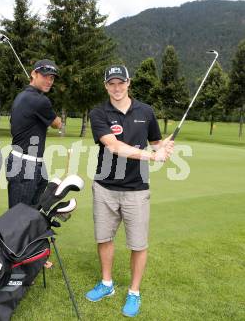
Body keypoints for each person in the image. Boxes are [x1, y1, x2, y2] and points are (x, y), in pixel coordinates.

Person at [85, 65, 174, 317]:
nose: (116, 88)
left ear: (128, 83)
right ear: (105, 86)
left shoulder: (146, 111)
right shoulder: (99, 113)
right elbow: (113, 146)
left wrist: (164, 147)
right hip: (105, 187)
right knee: (104, 238)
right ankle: (106, 284)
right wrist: (151, 156)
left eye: (120, 82)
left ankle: (134, 292)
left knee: (138, 244)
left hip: (136, 189)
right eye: (111, 83)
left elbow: (156, 141)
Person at [6, 59, 62, 208]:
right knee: (19, 216)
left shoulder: (22, 96)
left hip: (26, 161)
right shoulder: (40, 101)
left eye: (52, 78)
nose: (49, 81)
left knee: (32, 209)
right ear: (33, 74)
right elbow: (57, 124)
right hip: (26, 164)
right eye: (45, 76)